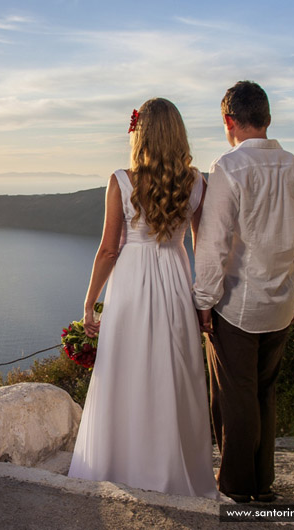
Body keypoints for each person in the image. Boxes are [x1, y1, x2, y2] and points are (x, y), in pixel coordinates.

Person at [68, 98, 218, 499]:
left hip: (131, 285)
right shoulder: (197, 181)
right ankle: (171, 467)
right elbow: (203, 250)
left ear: (141, 133)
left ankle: (121, 462)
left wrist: (88, 303)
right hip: (173, 280)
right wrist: (202, 302)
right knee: (173, 372)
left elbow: (109, 250)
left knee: (126, 370)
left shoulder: (122, 179)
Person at [193, 81, 294, 503]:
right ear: (267, 117)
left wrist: (204, 301)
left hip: (237, 305)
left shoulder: (229, 168)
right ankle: (262, 483)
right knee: (264, 392)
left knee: (235, 396)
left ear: (228, 121)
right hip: (280, 304)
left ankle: (237, 486)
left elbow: (214, 243)